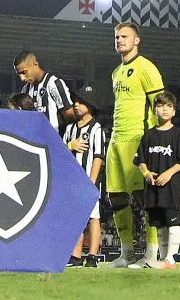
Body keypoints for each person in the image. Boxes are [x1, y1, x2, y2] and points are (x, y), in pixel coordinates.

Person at [105, 22, 165, 267]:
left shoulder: (146, 67)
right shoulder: (116, 72)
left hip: (138, 138)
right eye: (117, 37)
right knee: (116, 197)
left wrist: (157, 140)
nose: (120, 40)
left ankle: (151, 254)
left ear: (136, 40)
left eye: (125, 36)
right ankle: (127, 253)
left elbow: (160, 106)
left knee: (144, 198)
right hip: (116, 139)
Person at [133, 91, 180, 269]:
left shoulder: (177, 134)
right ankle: (163, 258)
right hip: (153, 188)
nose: (164, 109)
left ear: (174, 111)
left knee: (173, 221)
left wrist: (168, 174)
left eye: (169, 106)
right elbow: (139, 159)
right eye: (161, 106)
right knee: (159, 224)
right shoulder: (148, 135)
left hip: (172, 187)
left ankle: (171, 258)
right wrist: (146, 173)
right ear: (154, 110)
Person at [62, 89, 106, 268]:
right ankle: (76, 255)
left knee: (93, 217)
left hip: (88, 180)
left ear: (91, 105)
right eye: (75, 101)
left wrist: (91, 182)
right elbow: (61, 152)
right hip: (72, 181)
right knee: (75, 218)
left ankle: (93, 255)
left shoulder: (96, 129)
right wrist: (70, 145)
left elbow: (98, 156)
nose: (76, 105)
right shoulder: (70, 129)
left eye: (81, 102)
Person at [15, 50, 75, 132]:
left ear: (35, 65)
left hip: (52, 138)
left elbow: (70, 116)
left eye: (24, 72)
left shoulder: (53, 83)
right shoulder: (25, 89)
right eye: (19, 74)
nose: (22, 78)